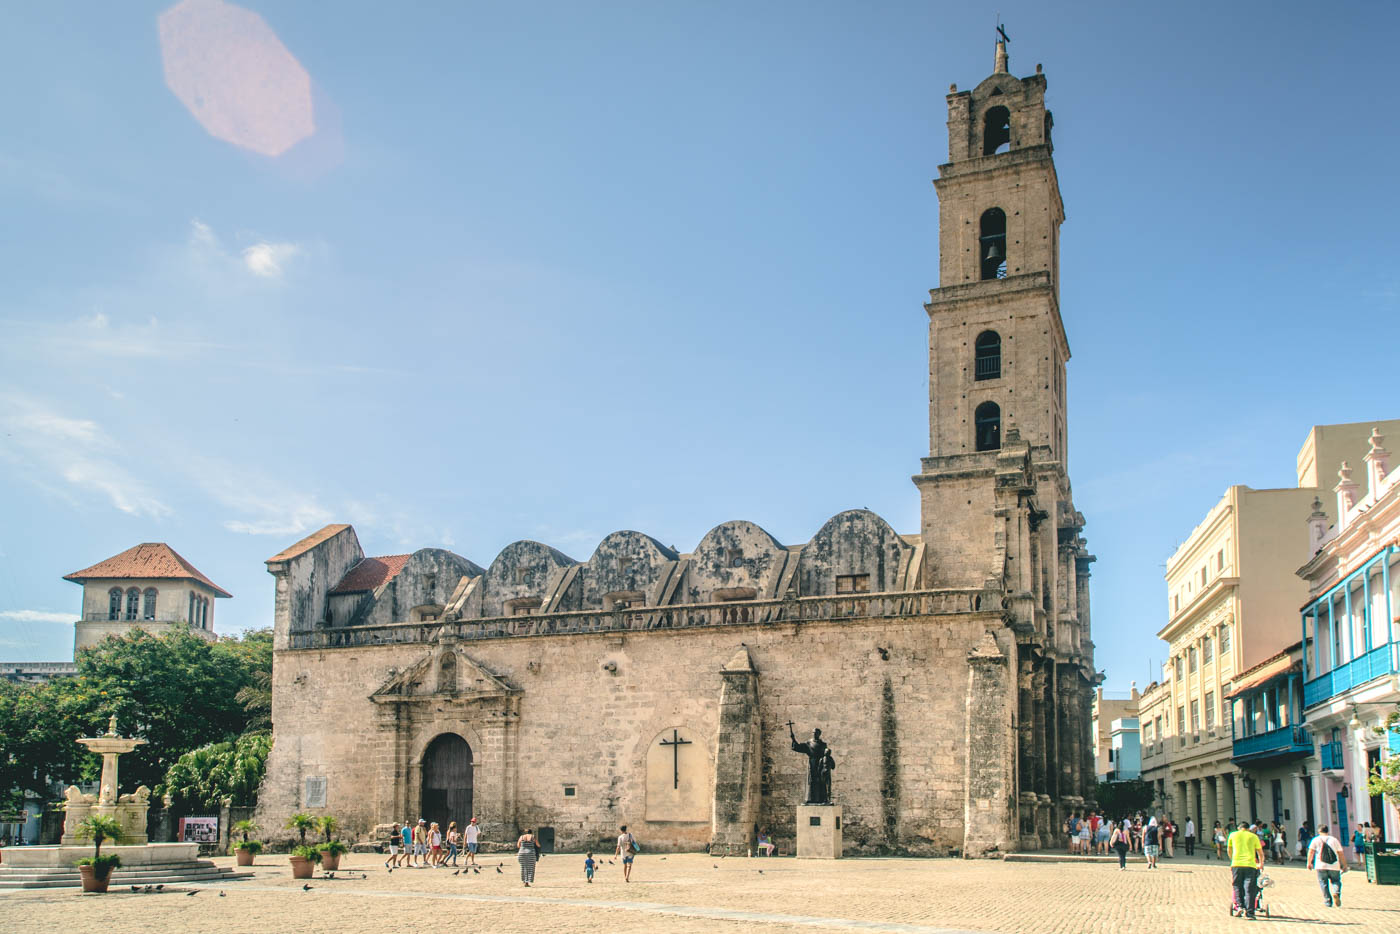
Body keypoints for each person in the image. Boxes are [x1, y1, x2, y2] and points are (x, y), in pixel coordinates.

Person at [1228, 821, 1265, 920]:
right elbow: (1260, 853)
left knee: (1237, 885)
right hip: (1250, 865)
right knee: (1249, 889)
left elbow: (1229, 849)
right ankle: (1249, 913)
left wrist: (1232, 859)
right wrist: (1261, 864)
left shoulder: (1233, 835)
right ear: (1248, 828)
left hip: (1236, 864)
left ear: (1239, 828)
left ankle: (1239, 906)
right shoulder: (1253, 836)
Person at [1306, 823, 1348, 907]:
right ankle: (1336, 892)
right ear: (1327, 831)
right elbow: (1340, 853)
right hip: (1334, 865)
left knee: (1323, 883)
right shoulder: (1334, 840)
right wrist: (1344, 864)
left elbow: (1311, 852)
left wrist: (1309, 863)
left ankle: (1327, 901)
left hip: (1320, 865)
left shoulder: (1315, 840)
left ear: (1319, 831)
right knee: (1336, 881)